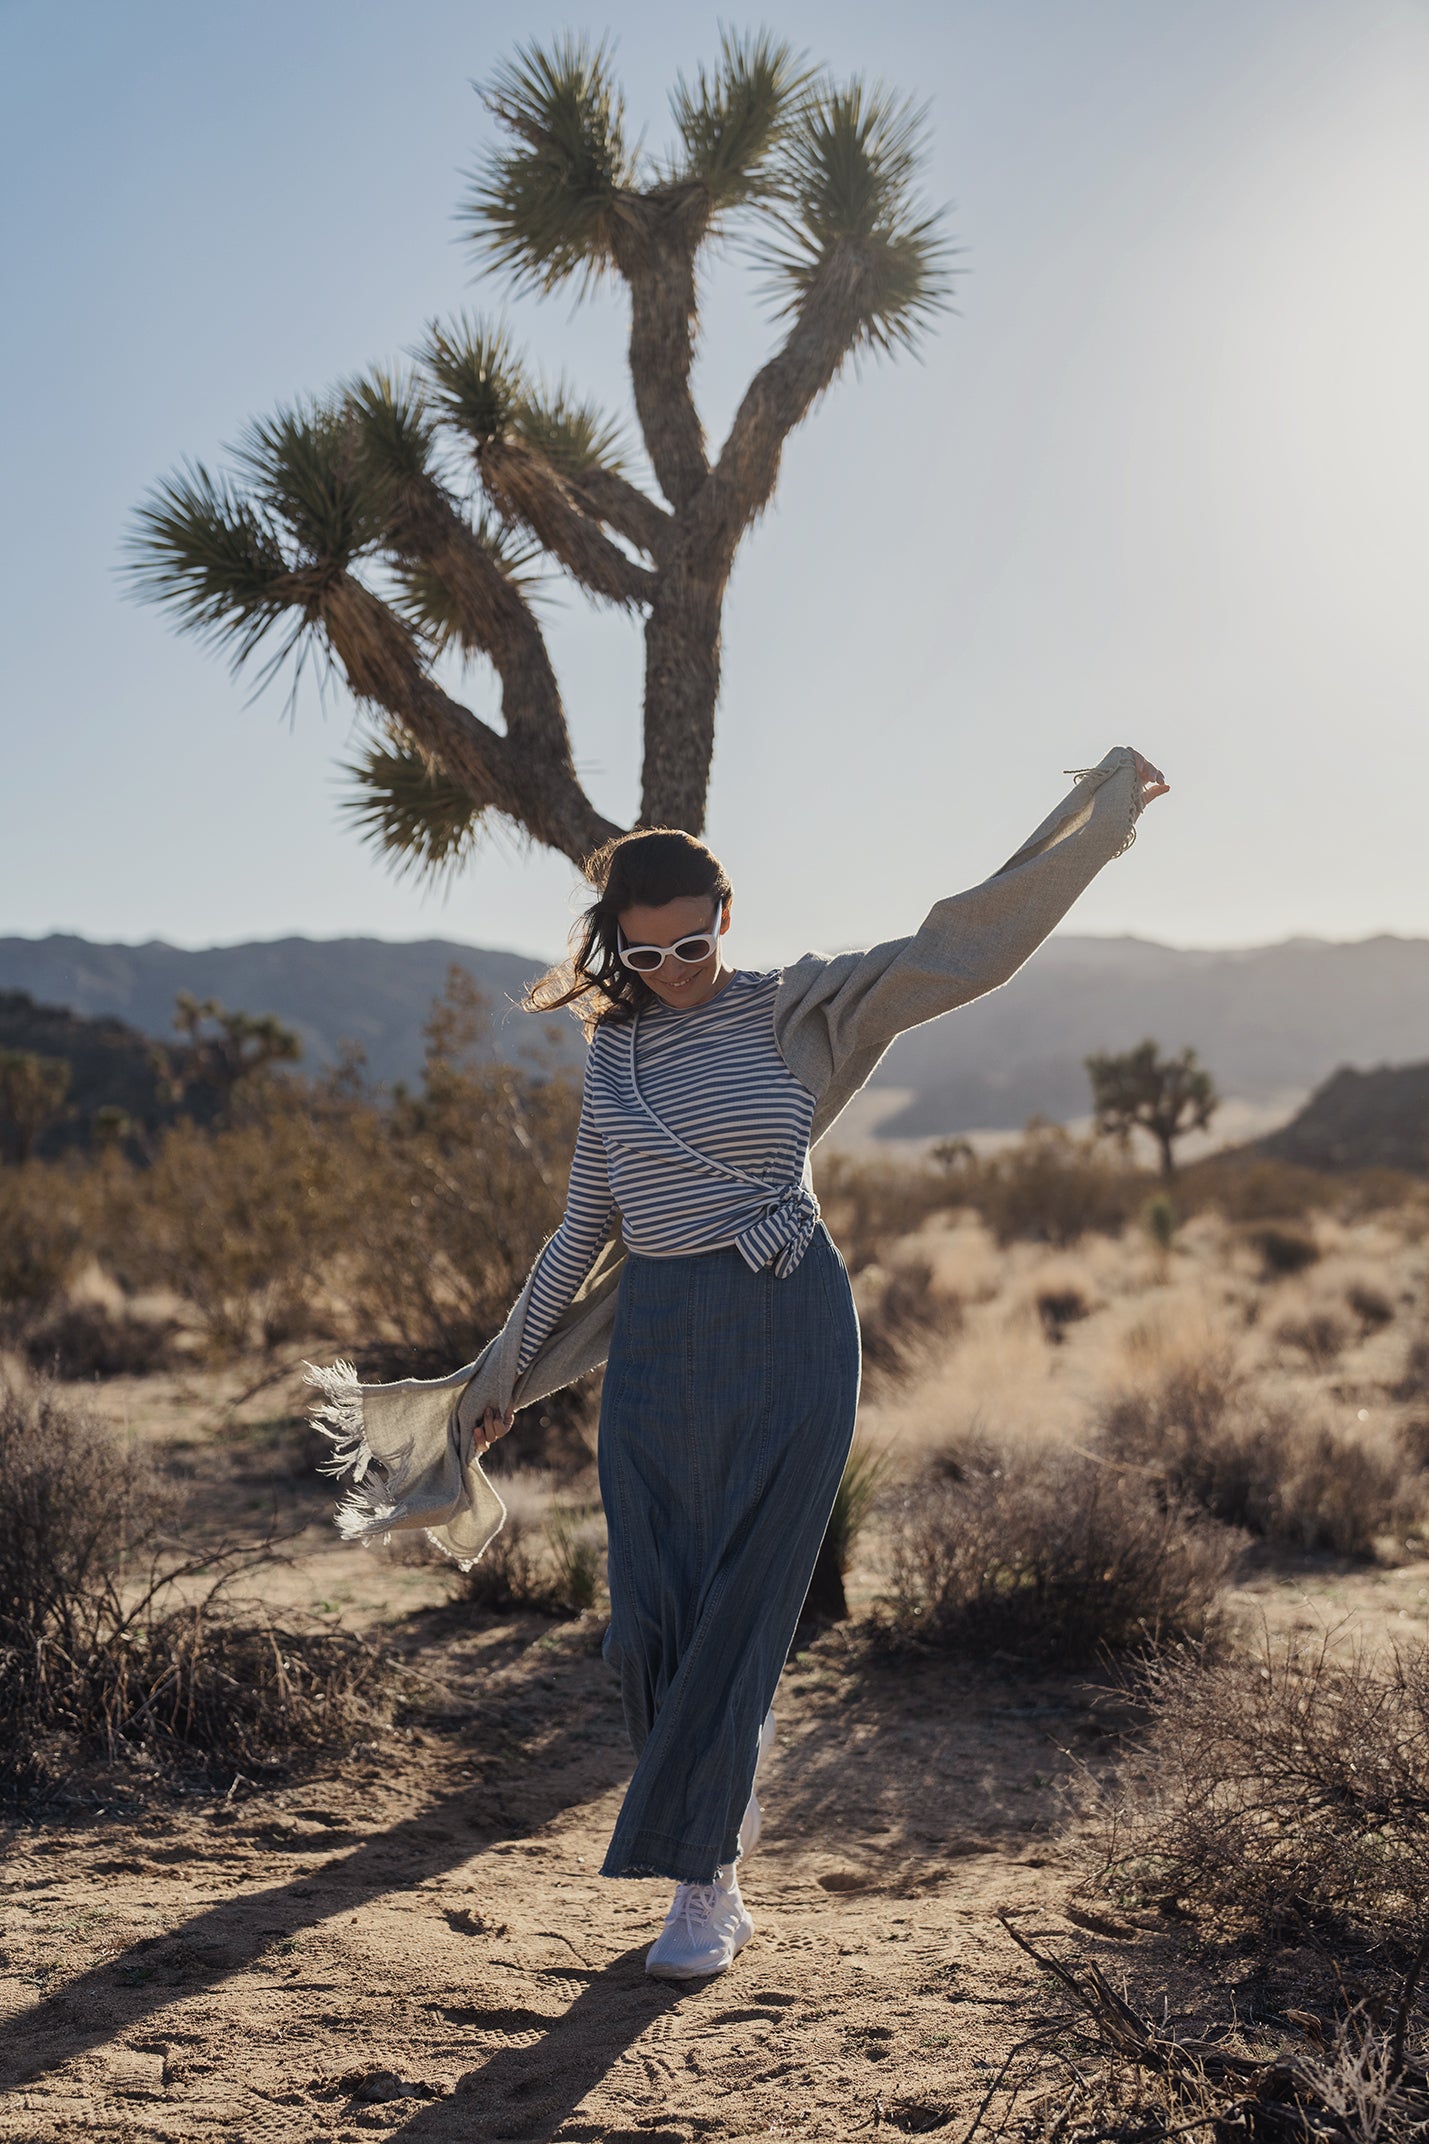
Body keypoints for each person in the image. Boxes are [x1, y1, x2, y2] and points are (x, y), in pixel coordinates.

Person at [455, 744, 1169, 1981]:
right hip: (662, 1341)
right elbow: (584, 1228)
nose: (676, 972)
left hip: (788, 1318)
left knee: (743, 1599)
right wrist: (501, 1369)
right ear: (613, 947)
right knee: (647, 1623)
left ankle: (702, 1887)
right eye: (647, 953)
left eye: (694, 943)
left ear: (726, 917)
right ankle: (720, 1796)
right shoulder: (613, 1057)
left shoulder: (797, 1002)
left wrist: (1096, 827)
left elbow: (961, 946)